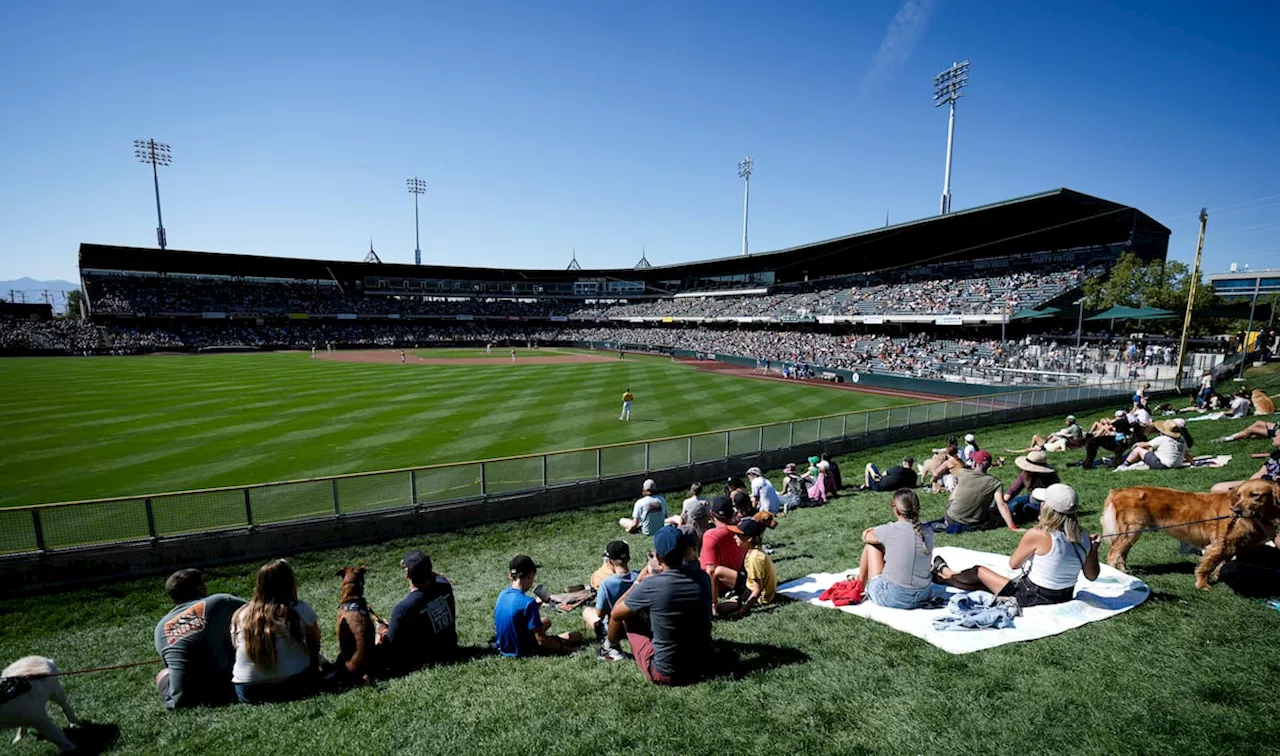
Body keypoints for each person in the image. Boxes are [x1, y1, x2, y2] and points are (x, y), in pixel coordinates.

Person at [933, 484, 1101, 607]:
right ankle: (943, 577)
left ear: (1048, 508)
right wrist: (1093, 549)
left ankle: (946, 573)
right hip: (1063, 596)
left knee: (979, 572)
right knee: (985, 586)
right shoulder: (1084, 535)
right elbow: (1091, 575)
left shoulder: (1038, 534)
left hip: (1032, 596)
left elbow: (1014, 564)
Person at [608, 526, 713, 685]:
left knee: (629, 615)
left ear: (658, 556)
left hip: (666, 673)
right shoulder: (703, 578)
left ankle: (609, 647)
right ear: (685, 551)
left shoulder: (651, 585)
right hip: (701, 666)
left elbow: (617, 612)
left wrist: (639, 580)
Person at [230, 559, 321, 704]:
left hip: (248, 690)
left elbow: (236, 645)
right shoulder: (299, 609)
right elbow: (314, 643)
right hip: (294, 683)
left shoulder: (240, 614)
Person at [154, 569, 246, 709]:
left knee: (163, 674)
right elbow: (257, 611)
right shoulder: (220, 601)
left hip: (183, 701)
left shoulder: (161, 627)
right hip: (226, 690)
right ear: (200, 587)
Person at [857, 489, 935, 609]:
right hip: (924, 594)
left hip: (894, 596)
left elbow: (866, 536)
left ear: (896, 509)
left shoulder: (891, 530)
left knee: (871, 545)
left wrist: (875, 529)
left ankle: (859, 585)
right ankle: (860, 584)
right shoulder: (928, 531)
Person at [493, 555, 582, 657]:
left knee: (546, 622)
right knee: (574, 635)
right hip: (523, 651)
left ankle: (559, 639)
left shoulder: (502, 594)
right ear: (530, 575)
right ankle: (560, 641)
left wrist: (537, 603)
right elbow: (541, 641)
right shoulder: (528, 603)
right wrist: (567, 650)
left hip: (505, 647)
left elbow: (520, 614)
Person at [384, 551, 457, 674]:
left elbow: (390, 647)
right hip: (450, 648)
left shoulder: (402, 609)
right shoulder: (445, 585)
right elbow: (437, 576)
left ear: (407, 574)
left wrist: (383, 631)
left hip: (423, 660)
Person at [584, 541, 638, 661]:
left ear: (609, 561)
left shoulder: (607, 583)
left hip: (615, 629)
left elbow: (599, 614)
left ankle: (604, 637)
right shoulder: (639, 577)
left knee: (588, 611)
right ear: (628, 558)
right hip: (637, 624)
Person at [940, 451, 1018, 533]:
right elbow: (1001, 505)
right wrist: (1012, 526)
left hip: (951, 518)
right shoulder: (995, 483)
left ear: (975, 464)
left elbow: (954, 482)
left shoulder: (962, 473)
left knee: (958, 486)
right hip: (974, 522)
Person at [719, 518, 776, 616]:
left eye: (739, 535)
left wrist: (743, 610)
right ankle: (734, 596)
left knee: (719, 608)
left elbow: (757, 590)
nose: (734, 537)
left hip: (758, 597)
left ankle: (736, 600)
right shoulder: (752, 550)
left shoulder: (755, 558)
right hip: (748, 586)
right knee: (719, 571)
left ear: (749, 539)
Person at [700, 495, 746, 599]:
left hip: (717, 584)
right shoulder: (741, 529)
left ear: (712, 514)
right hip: (735, 578)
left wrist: (712, 602)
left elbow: (711, 571)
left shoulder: (711, 536)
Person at [1004, 450, 1060, 523]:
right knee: (1006, 504)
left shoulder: (1050, 478)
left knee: (1025, 508)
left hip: (1046, 503)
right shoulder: (1025, 474)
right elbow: (1015, 488)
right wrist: (1007, 495)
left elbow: (1053, 498)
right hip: (1032, 497)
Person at [1117, 419, 1193, 470]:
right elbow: (1186, 453)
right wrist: (1193, 462)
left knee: (1138, 449)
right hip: (1177, 464)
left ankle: (1125, 464)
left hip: (1163, 465)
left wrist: (1136, 444)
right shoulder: (1181, 439)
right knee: (1150, 450)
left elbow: (1143, 445)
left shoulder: (1163, 439)